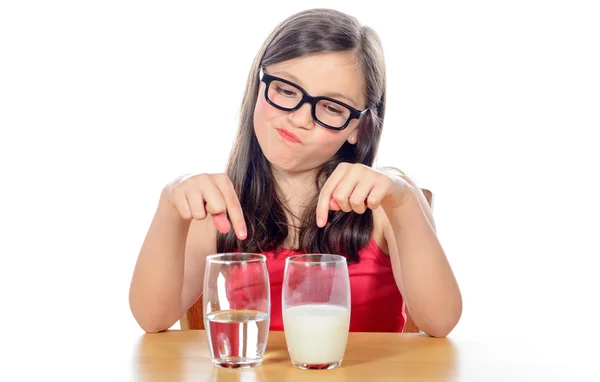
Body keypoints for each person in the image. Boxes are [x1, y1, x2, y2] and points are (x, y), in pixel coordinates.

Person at [129, 8, 462, 337]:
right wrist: (170, 203)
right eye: (286, 91)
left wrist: (404, 201)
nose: (300, 119)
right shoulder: (219, 207)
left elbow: (440, 321)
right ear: (258, 85)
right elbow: (152, 317)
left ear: (358, 128)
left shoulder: (385, 207)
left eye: (332, 107)